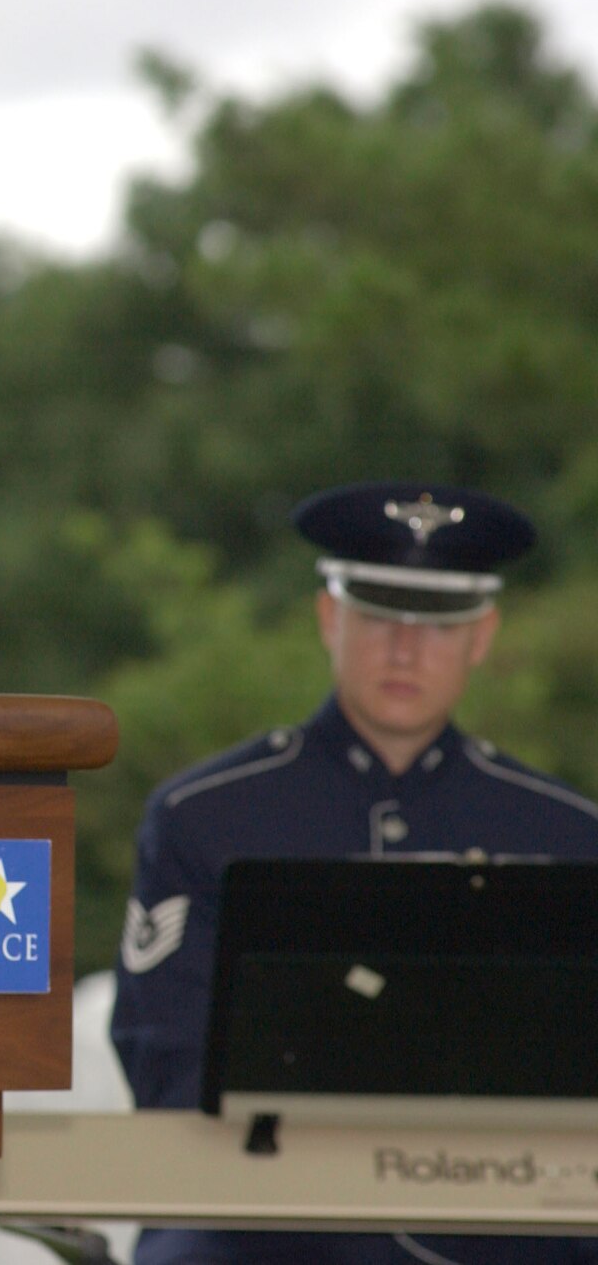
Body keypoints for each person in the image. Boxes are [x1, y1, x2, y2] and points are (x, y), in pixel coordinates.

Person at [111, 481, 598, 1265]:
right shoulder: (207, 816)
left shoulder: (567, 834)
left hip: (506, 1215)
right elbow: (168, 1056)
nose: (405, 650)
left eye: (437, 625)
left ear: (482, 636)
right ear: (330, 617)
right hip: (262, 1217)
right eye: (378, 616)